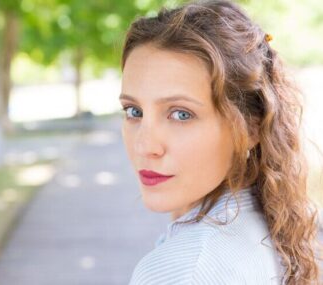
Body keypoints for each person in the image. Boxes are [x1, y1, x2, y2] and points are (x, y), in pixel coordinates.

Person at [118, 0, 323, 284]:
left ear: (251, 127)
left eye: (181, 114)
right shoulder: (275, 228)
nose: (144, 146)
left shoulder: (184, 269)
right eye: (134, 112)